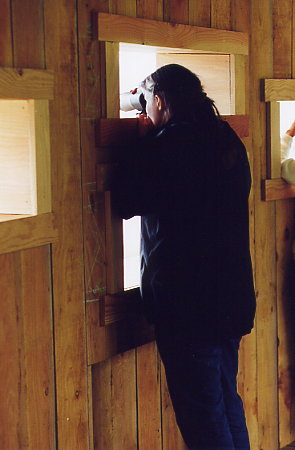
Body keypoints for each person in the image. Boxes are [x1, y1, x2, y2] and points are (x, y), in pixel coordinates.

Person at [111, 64, 256, 450]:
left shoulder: (169, 146)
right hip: (230, 301)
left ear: (159, 101)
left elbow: (126, 200)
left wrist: (142, 141)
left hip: (190, 310)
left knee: (204, 419)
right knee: (226, 403)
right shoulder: (224, 136)